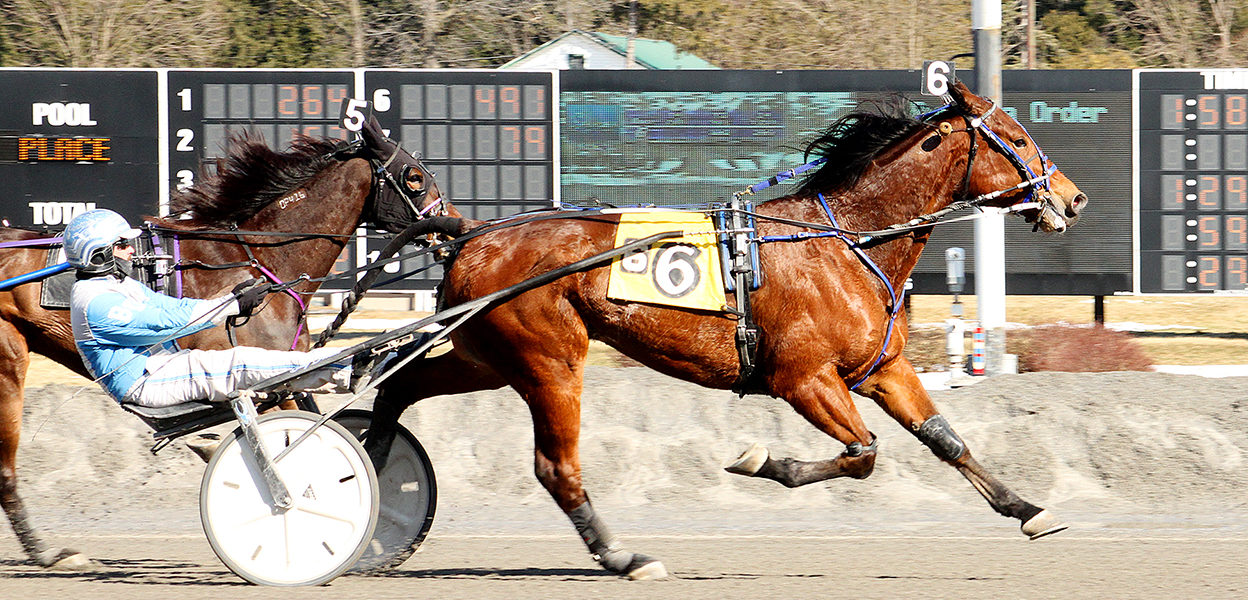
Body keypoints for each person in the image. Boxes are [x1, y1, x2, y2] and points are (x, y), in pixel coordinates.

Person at [65, 208, 375, 408]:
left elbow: (176, 306)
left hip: (162, 363)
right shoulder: (95, 301)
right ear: (98, 254)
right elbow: (165, 321)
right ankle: (346, 369)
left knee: (244, 361)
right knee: (240, 364)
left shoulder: (118, 285)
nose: (132, 250)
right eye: (122, 245)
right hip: (143, 382)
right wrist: (230, 305)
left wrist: (231, 303)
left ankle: (343, 366)